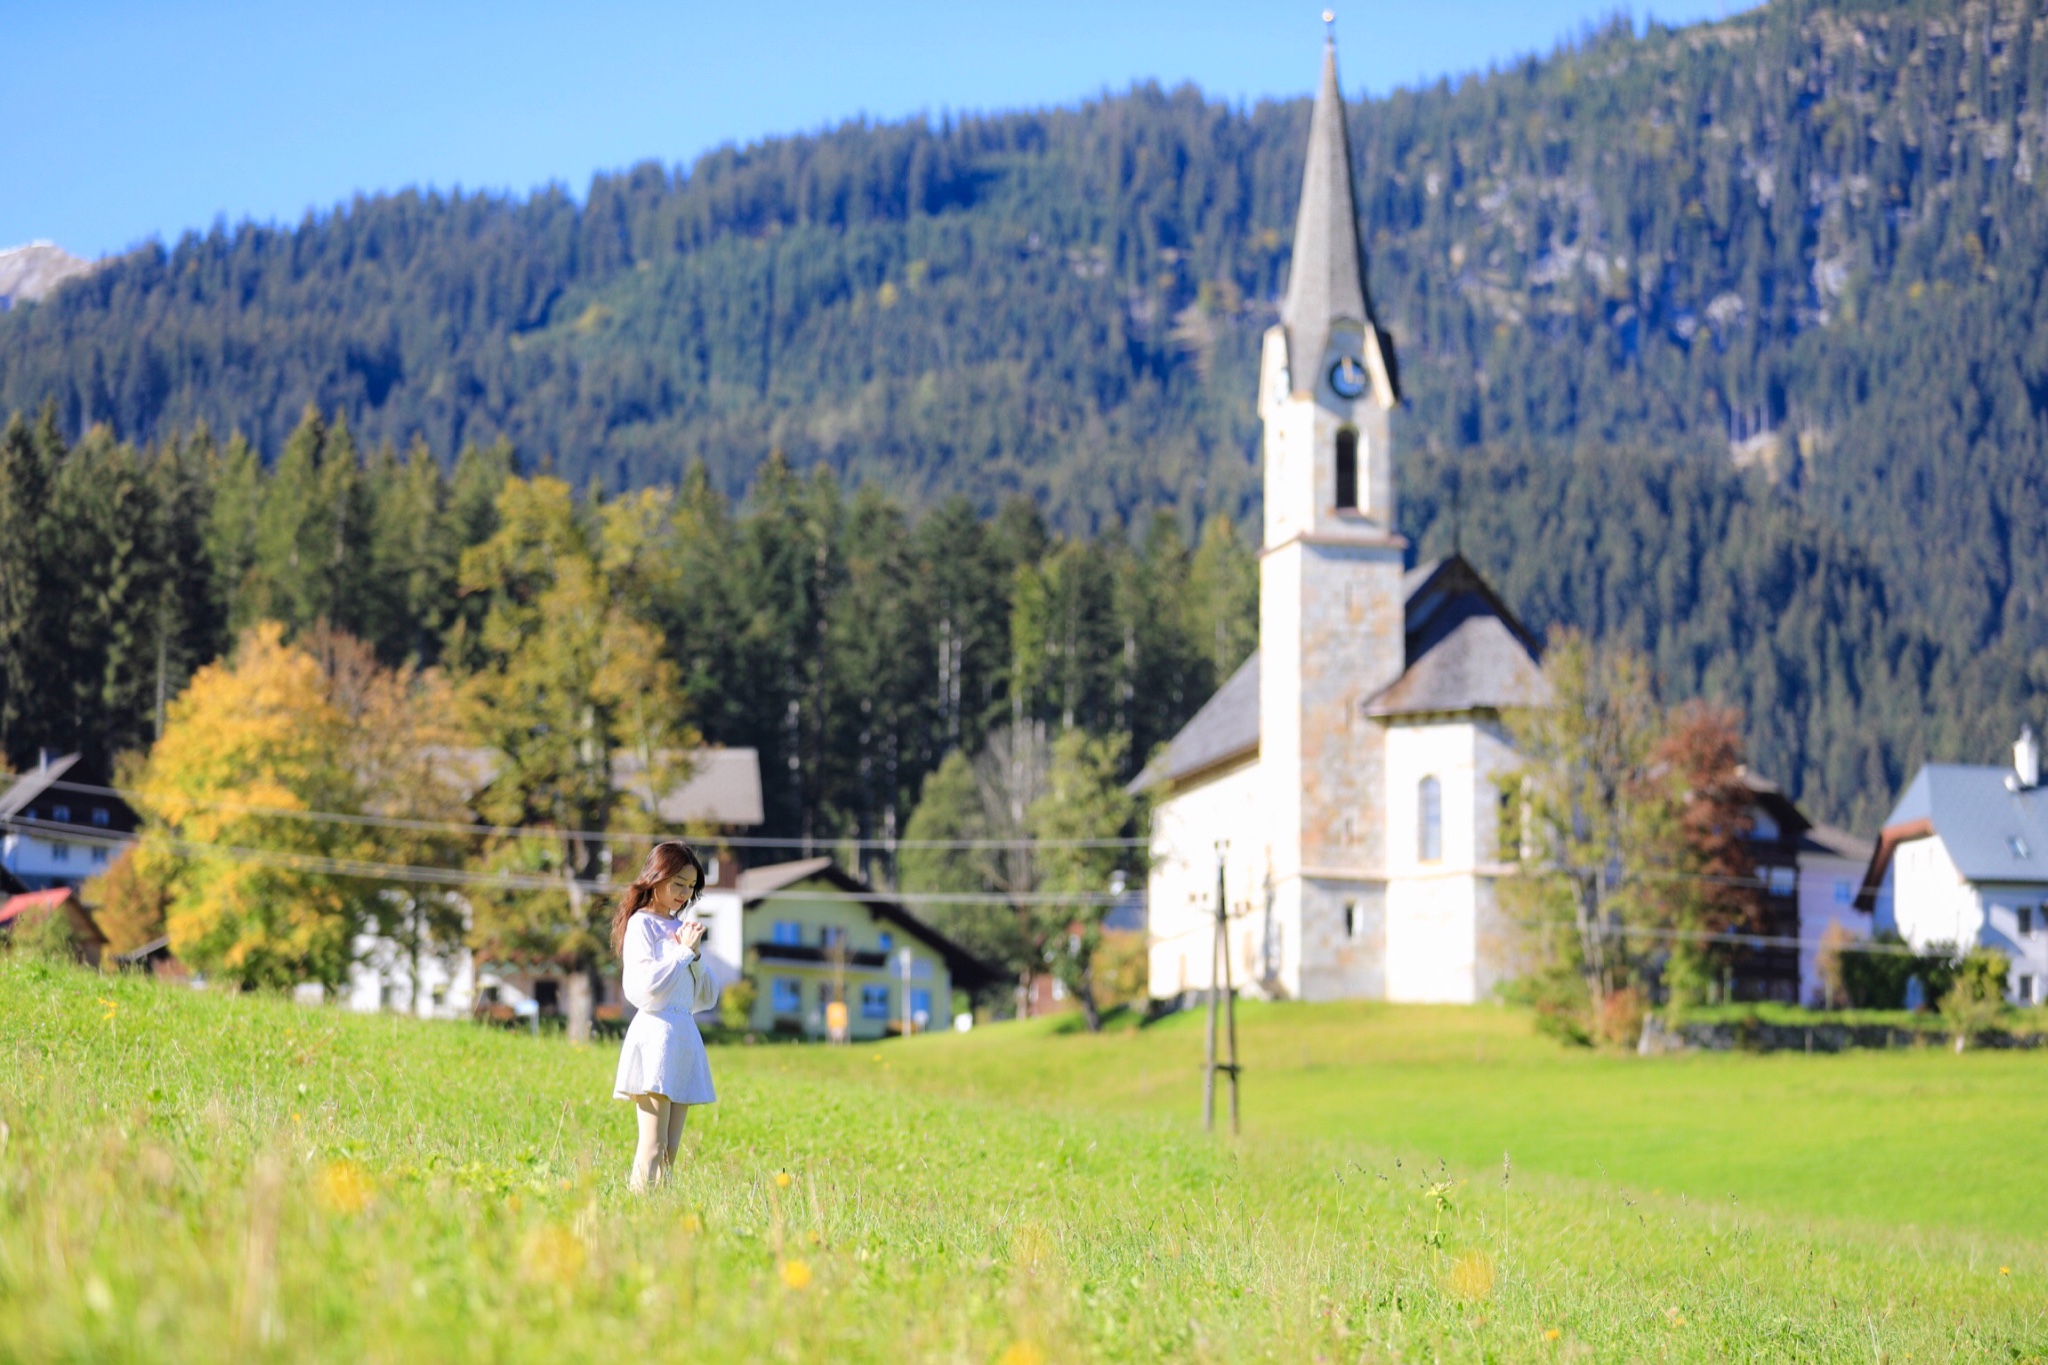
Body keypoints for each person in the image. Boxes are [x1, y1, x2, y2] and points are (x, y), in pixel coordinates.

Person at [610, 841, 720, 1191]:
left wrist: (696, 956)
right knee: (653, 1144)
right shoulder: (642, 925)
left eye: (690, 888)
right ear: (656, 879)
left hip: (683, 1037)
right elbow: (646, 989)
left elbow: (706, 997)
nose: (684, 894)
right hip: (656, 1035)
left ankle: (659, 1213)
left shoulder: (681, 930)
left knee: (671, 1151)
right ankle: (635, 1208)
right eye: (678, 884)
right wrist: (683, 954)